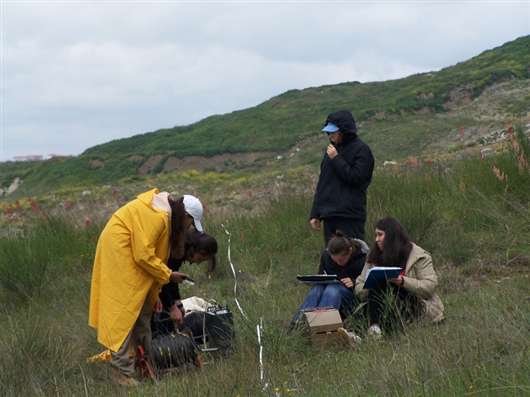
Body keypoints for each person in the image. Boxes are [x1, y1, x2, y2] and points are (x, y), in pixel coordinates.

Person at [88, 188, 205, 386]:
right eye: (190, 223)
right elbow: (143, 254)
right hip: (119, 250)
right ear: (185, 216)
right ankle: (122, 374)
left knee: (143, 309)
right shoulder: (159, 216)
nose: (189, 229)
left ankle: (147, 364)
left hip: (130, 253)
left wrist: (158, 289)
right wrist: (168, 275)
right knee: (123, 313)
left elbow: (150, 253)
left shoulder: (166, 216)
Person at [355, 217, 445, 337]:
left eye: (380, 235)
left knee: (391, 288)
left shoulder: (418, 256)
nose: (376, 239)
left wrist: (402, 281)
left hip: (413, 303)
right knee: (378, 284)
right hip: (377, 302)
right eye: (375, 235)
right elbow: (358, 287)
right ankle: (371, 329)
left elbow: (429, 287)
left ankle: (372, 329)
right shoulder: (374, 257)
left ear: (391, 236)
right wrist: (371, 283)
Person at [309, 110, 374, 243]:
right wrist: (315, 213)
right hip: (329, 216)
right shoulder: (331, 151)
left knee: (353, 257)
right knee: (332, 259)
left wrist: (336, 159)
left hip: (350, 217)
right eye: (328, 132)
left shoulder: (361, 150)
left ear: (344, 130)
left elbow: (357, 179)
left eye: (333, 132)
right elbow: (323, 183)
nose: (330, 135)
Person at [291, 232, 369, 328]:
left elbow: (366, 285)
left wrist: (353, 282)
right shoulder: (326, 256)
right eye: (334, 260)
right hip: (329, 294)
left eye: (341, 260)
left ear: (350, 251)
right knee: (317, 288)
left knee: (333, 289)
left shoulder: (362, 259)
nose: (337, 263)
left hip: (351, 298)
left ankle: (321, 326)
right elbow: (321, 275)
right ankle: (299, 324)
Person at [154, 229, 218, 337]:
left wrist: (178, 303)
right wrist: (172, 307)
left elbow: (171, 280)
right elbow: (163, 280)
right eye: (200, 259)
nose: (196, 263)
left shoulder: (179, 253)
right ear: (199, 251)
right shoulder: (175, 252)